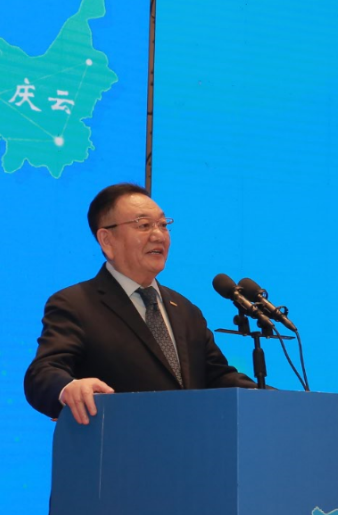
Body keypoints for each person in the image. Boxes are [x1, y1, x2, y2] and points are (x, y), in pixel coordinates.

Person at [24, 182, 255, 425]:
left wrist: (271, 399)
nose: (159, 235)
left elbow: (218, 377)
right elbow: (43, 373)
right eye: (144, 225)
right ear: (107, 240)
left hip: (190, 444)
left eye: (163, 225)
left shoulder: (186, 311)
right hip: (117, 444)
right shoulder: (76, 304)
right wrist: (69, 388)